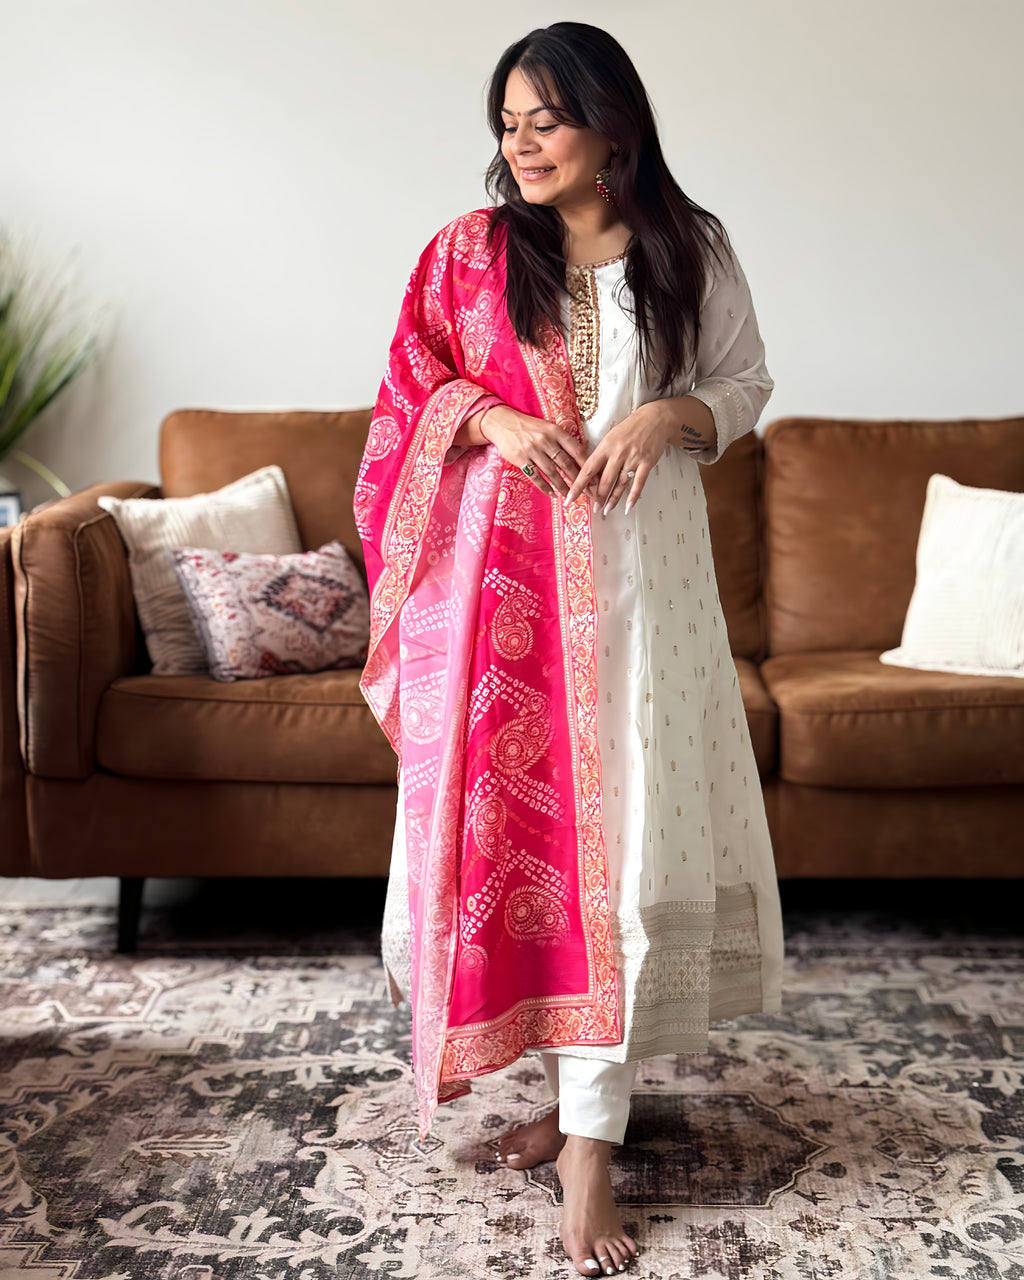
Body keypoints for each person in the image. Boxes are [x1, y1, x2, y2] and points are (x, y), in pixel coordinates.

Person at [355, 21, 784, 1277]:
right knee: (529, 847)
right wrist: (486, 412)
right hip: (504, 599)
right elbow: (405, 390)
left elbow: (747, 385)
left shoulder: (686, 247)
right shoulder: (470, 252)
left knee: (622, 843)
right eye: (507, 120)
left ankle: (588, 1143)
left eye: (545, 116)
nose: (521, 142)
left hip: (645, 591)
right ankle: (573, 1108)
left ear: (613, 124)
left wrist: (670, 410)